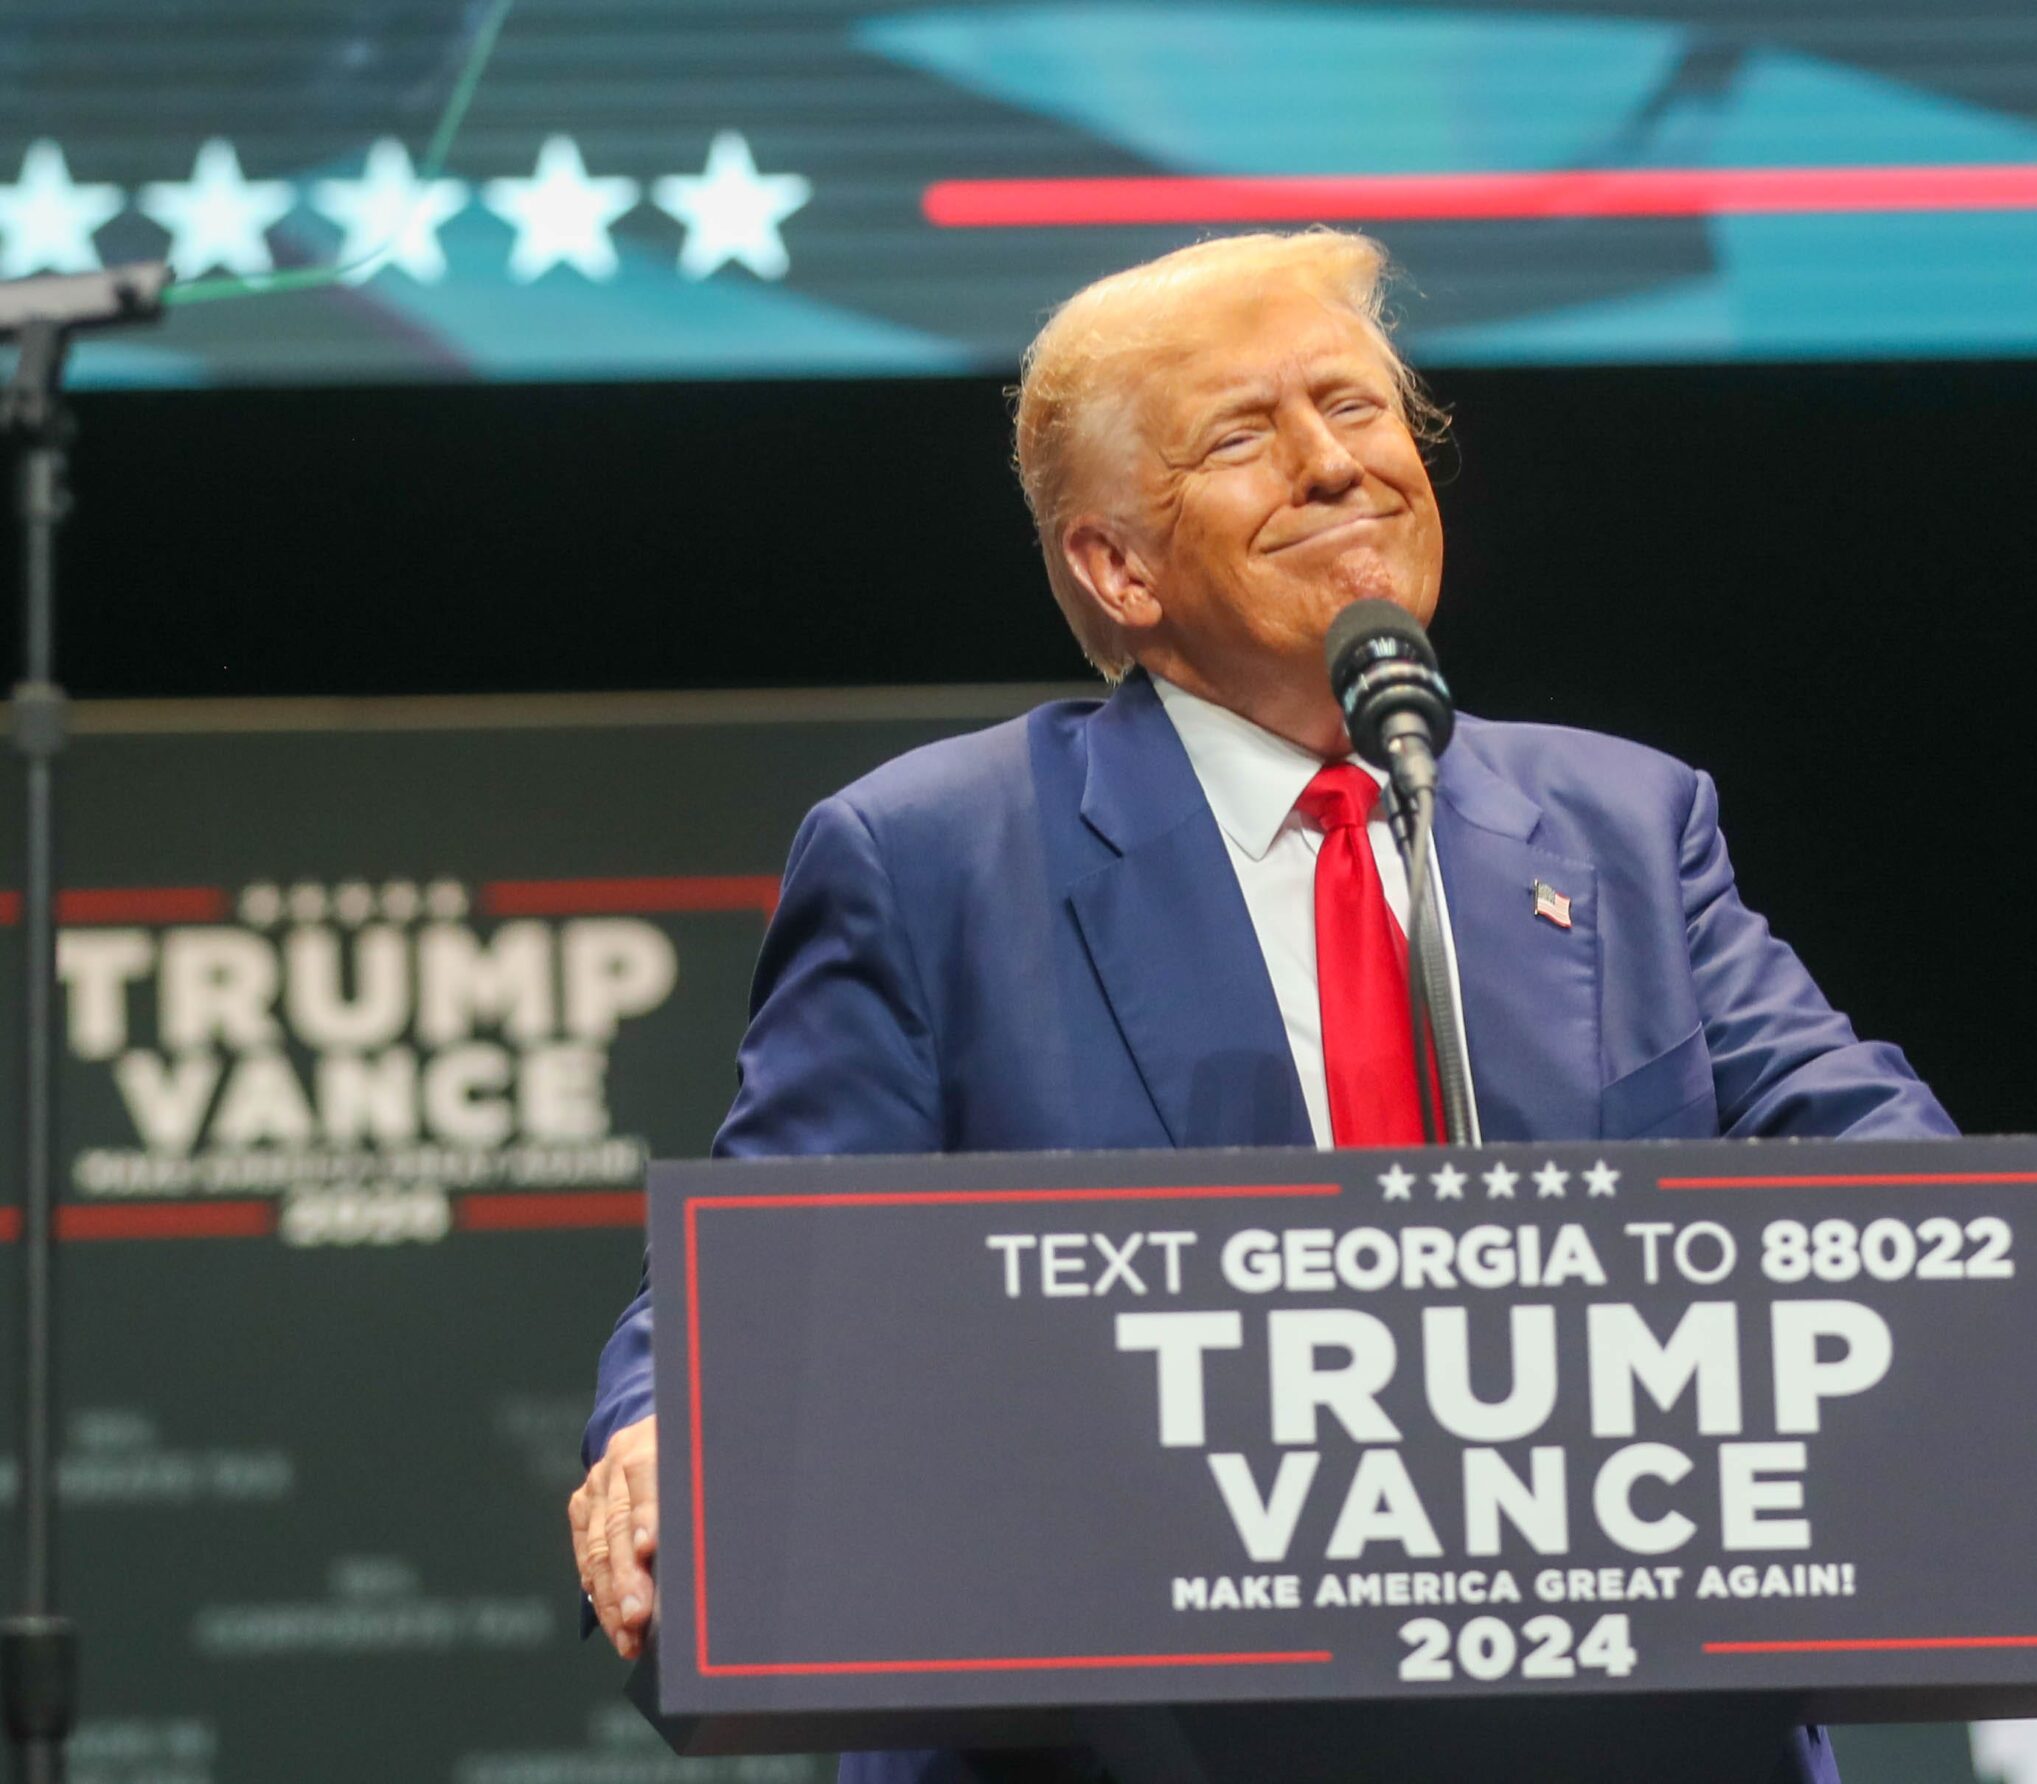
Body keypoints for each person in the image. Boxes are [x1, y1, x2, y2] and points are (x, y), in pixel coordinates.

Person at [571, 229, 1955, 1784]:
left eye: (1359, 410)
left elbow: (1879, 1166)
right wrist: (667, 1433)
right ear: (1117, 566)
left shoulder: (1626, 825)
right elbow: (773, 1265)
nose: (1334, 465)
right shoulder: (935, 858)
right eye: (1245, 434)